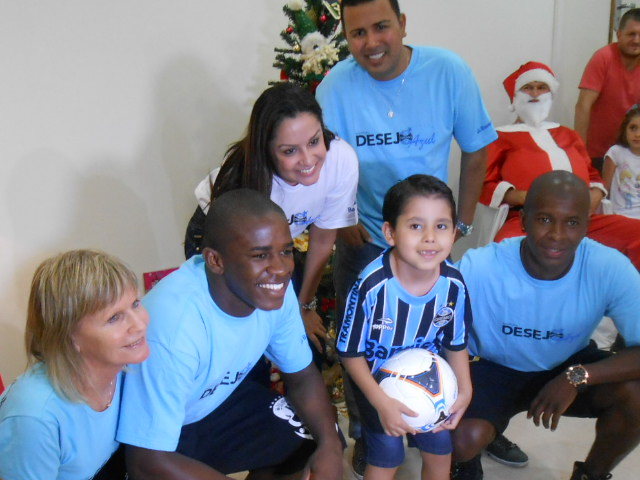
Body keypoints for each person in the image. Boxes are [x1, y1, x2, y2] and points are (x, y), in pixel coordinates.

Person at [315, 0, 497, 473]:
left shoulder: (448, 71)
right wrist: (345, 213)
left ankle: (431, 416)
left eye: (381, 27)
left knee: (428, 338)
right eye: (357, 33)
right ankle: (371, 431)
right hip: (365, 236)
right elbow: (327, 159)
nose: (371, 43)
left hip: (427, 235)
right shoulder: (335, 85)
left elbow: (477, 150)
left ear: (403, 24)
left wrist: (458, 226)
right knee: (366, 343)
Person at [118, 189, 344, 480]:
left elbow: (302, 377)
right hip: (148, 438)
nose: (280, 269)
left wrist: (330, 446)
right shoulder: (174, 327)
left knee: (318, 436)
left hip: (209, 406)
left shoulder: (275, 290)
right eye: (260, 255)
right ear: (215, 261)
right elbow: (145, 461)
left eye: (286, 251)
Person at [451, 171, 640, 480]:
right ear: (523, 221)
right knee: (462, 439)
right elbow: (431, 329)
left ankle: (591, 475)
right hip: (491, 367)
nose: (558, 235)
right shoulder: (480, 266)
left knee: (636, 393)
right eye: (545, 219)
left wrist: (578, 376)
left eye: (572, 223)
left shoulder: (608, 267)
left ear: (586, 226)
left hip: (566, 363)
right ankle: (468, 459)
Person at [185, 82, 358, 355]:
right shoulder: (244, 183)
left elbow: (323, 240)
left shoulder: (341, 160)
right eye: (289, 151)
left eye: (314, 141)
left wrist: (303, 306)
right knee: (239, 337)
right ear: (267, 151)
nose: (308, 159)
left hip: (273, 244)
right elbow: (247, 269)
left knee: (293, 337)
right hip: (216, 239)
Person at [337, 174, 473, 480]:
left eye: (441, 226)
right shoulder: (371, 287)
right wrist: (381, 401)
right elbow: (350, 354)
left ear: (454, 232)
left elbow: (456, 342)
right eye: (415, 226)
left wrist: (465, 389)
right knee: (388, 455)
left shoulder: (454, 285)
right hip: (378, 383)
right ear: (390, 232)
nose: (429, 237)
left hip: (430, 383)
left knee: (440, 450)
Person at [0, 250, 150, 480]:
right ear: (69, 336)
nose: (138, 324)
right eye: (114, 318)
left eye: (136, 304)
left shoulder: (127, 366)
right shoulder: (34, 418)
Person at [482, 61, 640, 270]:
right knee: (506, 252)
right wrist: (522, 197)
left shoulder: (568, 134)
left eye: (542, 87)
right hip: (529, 221)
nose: (535, 93)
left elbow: (593, 174)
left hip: (581, 219)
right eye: (528, 87)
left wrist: (595, 194)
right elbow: (485, 183)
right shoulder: (499, 136)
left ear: (551, 93)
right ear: (516, 95)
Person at [575, 8, 640, 173]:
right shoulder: (603, 58)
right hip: (597, 154)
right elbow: (583, 106)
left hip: (632, 153)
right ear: (619, 34)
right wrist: (579, 152)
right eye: (631, 34)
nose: (636, 40)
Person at [602, 104, 640, 218]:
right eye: (633, 128)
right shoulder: (616, 152)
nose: (637, 134)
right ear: (625, 130)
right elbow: (604, 189)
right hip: (620, 216)